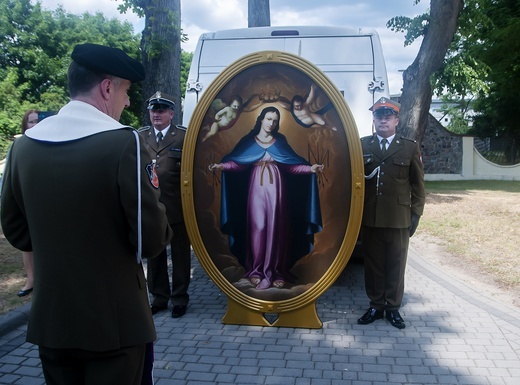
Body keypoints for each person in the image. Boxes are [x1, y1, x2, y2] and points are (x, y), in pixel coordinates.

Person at [0, 43, 172, 385]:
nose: (126, 102)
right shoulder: (124, 142)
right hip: (115, 324)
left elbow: (17, 233)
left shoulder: (22, 146)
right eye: (125, 91)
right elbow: (150, 240)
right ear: (107, 87)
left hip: (52, 322)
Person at [209, 106, 324, 290]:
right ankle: (256, 270)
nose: (271, 123)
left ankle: (276, 271)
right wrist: (222, 167)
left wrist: (310, 169)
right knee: (258, 227)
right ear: (261, 119)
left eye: (275, 120)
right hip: (256, 189)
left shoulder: (280, 142)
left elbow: (291, 166)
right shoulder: (249, 142)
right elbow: (238, 164)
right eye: (269, 119)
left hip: (277, 190)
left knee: (276, 228)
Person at [358, 97, 425, 329]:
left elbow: (418, 185)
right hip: (370, 216)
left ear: (396, 120)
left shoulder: (409, 147)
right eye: (379, 116)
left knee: (396, 265)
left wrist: (415, 215)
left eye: (388, 117)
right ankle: (376, 305)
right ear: (374, 120)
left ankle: (393, 308)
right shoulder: (362, 145)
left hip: (398, 218)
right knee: (373, 264)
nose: (383, 120)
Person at [138, 91, 191, 318]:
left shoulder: (183, 137)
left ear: (171, 113)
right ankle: (159, 297)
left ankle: (179, 298)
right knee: (155, 255)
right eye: (153, 110)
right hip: (151, 208)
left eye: (161, 110)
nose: (156, 114)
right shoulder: (139, 136)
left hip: (177, 206)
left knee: (180, 255)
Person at [16, 109, 39, 297]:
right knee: (28, 243)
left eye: (37, 121)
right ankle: (31, 279)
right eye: (31, 122)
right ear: (25, 125)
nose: (35, 125)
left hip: (43, 202)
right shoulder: (19, 147)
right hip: (26, 201)